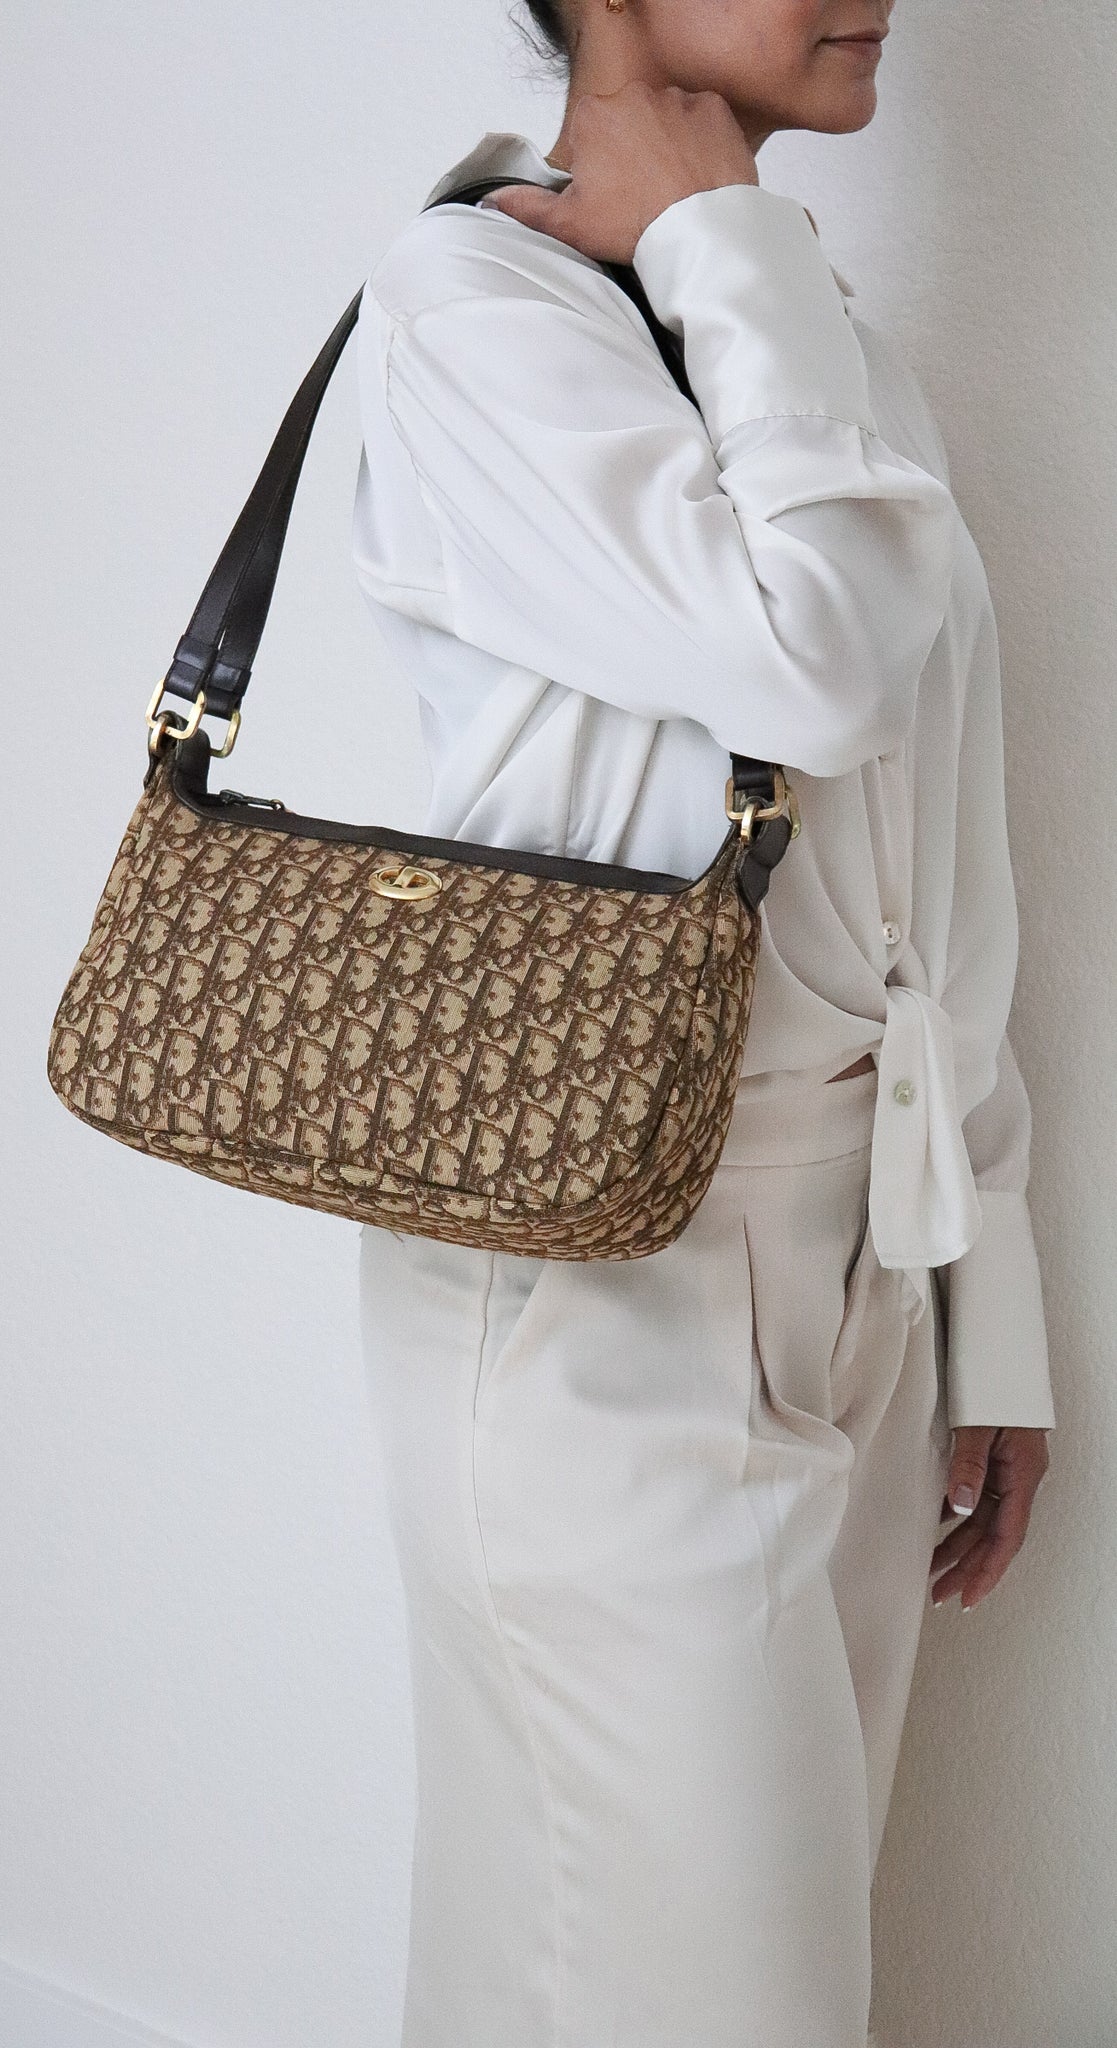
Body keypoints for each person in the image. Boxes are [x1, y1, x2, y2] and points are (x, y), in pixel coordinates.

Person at [347, 2, 1055, 2040]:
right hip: (593, 1286)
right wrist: (722, 245)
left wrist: (978, 1285)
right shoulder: (477, 306)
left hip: (851, 1276)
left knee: (735, 1982)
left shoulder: (798, 324)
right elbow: (810, 666)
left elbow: (934, 841)